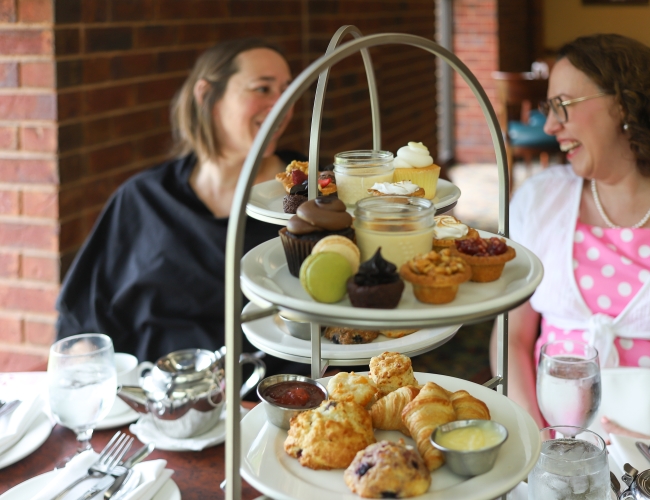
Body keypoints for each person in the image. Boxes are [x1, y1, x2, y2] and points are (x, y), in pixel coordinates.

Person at [56, 38, 308, 375]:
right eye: (262, 89)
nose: (282, 104)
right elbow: (84, 318)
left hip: (275, 404)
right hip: (157, 406)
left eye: (287, 89)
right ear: (206, 96)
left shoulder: (310, 197)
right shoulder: (143, 198)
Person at [490, 34, 650, 438]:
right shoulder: (539, 200)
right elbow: (511, 337)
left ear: (622, 103)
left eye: (563, 105)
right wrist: (534, 432)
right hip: (554, 450)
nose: (549, 125)